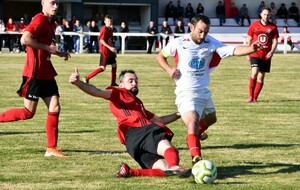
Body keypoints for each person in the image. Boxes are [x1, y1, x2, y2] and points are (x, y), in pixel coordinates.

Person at [156, 15, 262, 165]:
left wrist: (251, 49)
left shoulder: (210, 42)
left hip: (203, 92)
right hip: (186, 92)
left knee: (212, 118)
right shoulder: (179, 42)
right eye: (200, 31)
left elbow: (232, 50)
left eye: (206, 32)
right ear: (191, 27)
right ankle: (196, 159)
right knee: (192, 121)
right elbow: (160, 56)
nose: (203, 35)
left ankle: (195, 135)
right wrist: (169, 70)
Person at [69, 69, 191, 178]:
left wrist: (180, 113)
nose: (134, 83)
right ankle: (175, 165)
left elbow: (160, 120)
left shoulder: (138, 105)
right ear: (121, 84)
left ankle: (130, 171)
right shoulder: (119, 93)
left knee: (164, 168)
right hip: (141, 129)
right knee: (170, 150)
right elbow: (96, 91)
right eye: (130, 80)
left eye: (136, 80)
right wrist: (78, 83)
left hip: (131, 142)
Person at [0, 0, 71, 158]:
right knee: (28, 113)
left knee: (55, 107)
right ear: (43, 3)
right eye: (52, 3)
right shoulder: (39, 19)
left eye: (57, 3)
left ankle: (51, 148)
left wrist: (59, 53)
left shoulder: (51, 23)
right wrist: (47, 48)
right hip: (34, 73)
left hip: (46, 72)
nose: (55, 6)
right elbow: (25, 39)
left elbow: (45, 46)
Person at [247, 8, 279, 103]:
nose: (266, 16)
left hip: (266, 55)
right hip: (255, 53)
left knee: (261, 77)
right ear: (261, 14)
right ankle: (250, 96)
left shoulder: (273, 27)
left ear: (270, 15)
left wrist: (272, 51)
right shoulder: (254, 25)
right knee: (254, 72)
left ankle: (255, 98)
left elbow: (275, 41)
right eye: (264, 14)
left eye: (268, 15)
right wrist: (248, 52)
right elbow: (249, 39)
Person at [83, 15, 118, 86]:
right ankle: (87, 77)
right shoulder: (104, 29)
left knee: (114, 65)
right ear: (105, 22)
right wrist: (110, 48)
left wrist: (113, 50)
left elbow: (110, 41)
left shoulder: (110, 29)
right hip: (104, 52)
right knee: (102, 68)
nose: (110, 22)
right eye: (108, 21)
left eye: (111, 21)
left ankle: (113, 83)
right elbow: (101, 40)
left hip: (110, 52)